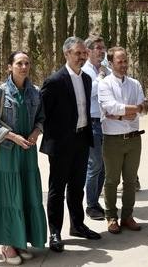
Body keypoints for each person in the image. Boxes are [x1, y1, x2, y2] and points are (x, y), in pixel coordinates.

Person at [0, 51, 46, 265]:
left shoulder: (35, 92)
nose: (24, 66)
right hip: (7, 153)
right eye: (19, 63)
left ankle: (20, 241)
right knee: (8, 197)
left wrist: (36, 133)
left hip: (27, 153)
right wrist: (12, 136)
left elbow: (41, 118)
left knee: (26, 195)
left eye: (27, 63)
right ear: (9, 66)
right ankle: (7, 244)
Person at [40, 37, 101, 253]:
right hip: (61, 144)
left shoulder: (86, 79)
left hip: (82, 140)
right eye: (78, 53)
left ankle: (77, 225)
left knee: (77, 188)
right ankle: (55, 232)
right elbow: (42, 113)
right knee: (57, 190)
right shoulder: (55, 81)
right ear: (66, 54)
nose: (82, 57)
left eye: (84, 53)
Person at [98, 47, 148, 234]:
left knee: (130, 181)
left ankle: (127, 216)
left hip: (134, 139)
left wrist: (121, 113)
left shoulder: (135, 84)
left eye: (125, 60)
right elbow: (110, 106)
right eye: (120, 61)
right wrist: (129, 111)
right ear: (110, 64)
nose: (124, 64)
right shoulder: (105, 84)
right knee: (111, 181)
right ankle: (111, 217)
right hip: (113, 140)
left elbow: (145, 106)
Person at [81, 35, 109, 221]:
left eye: (103, 47)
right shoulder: (86, 72)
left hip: (106, 122)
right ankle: (91, 205)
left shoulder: (103, 70)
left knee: (105, 166)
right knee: (95, 165)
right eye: (98, 48)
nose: (101, 51)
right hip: (92, 123)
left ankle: (96, 201)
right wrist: (100, 78)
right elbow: (89, 92)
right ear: (88, 51)